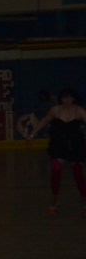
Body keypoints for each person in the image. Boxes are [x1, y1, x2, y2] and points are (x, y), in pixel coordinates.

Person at [27, 87, 86, 215]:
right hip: (59, 144)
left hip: (75, 144)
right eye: (64, 97)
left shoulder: (79, 111)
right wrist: (32, 134)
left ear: (74, 98)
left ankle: (84, 199)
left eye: (69, 97)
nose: (67, 100)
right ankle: (55, 198)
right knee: (56, 171)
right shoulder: (55, 110)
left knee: (78, 174)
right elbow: (44, 121)